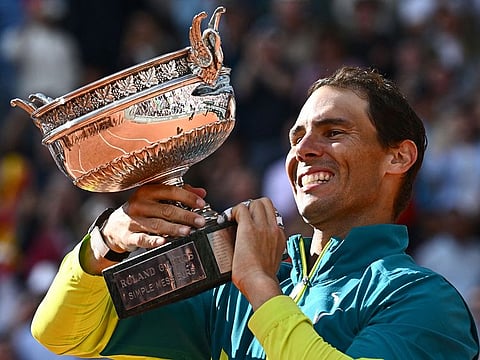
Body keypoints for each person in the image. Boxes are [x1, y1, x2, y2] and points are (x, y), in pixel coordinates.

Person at [30, 66, 479, 359]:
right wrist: (106, 241)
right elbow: (63, 334)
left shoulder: (423, 301)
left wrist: (261, 288)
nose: (303, 150)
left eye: (333, 131)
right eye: (296, 136)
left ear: (398, 158)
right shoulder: (234, 289)